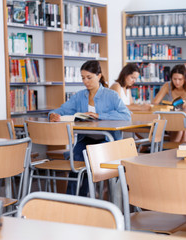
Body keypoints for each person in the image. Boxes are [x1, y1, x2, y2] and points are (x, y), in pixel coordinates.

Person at [49, 60, 131, 196]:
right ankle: (71, 198)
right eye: (83, 78)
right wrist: (52, 114)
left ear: (99, 76)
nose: (85, 81)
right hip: (85, 140)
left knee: (89, 157)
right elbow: (63, 109)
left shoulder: (111, 95)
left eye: (89, 77)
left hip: (106, 141)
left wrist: (99, 115)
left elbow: (126, 115)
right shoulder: (80, 96)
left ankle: (83, 196)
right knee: (76, 157)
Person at [152, 64, 186, 142]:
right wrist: (166, 107)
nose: (177, 82)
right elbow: (154, 104)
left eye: (180, 79)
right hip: (173, 120)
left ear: (185, 78)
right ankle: (180, 152)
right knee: (181, 127)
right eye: (174, 79)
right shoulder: (167, 86)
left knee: (183, 124)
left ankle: (173, 150)